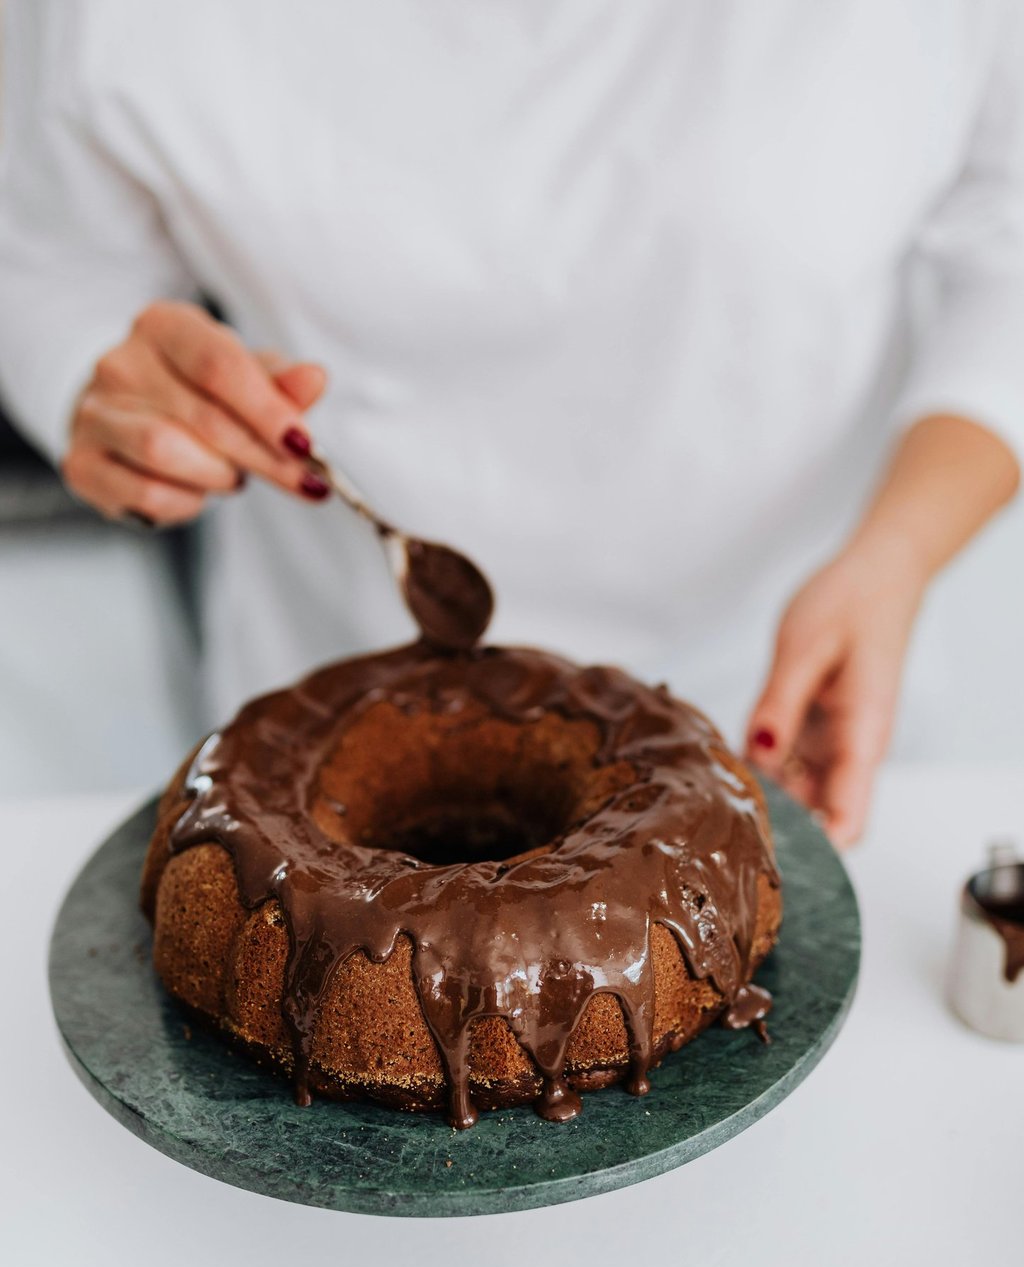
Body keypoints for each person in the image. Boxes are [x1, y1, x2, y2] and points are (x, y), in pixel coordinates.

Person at [1, 0, 1021, 844]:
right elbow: (49, 270)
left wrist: (897, 553)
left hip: (790, 696)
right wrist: (104, 386)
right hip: (327, 724)